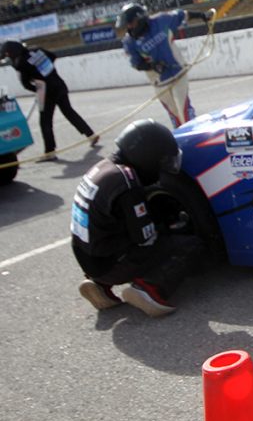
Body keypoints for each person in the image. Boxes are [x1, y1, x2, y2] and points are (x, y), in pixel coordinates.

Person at [72, 119, 204, 317]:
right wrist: (169, 227)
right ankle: (150, 288)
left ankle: (99, 284)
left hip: (89, 257)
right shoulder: (127, 181)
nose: (161, 168)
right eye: (160, 162)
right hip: (111, 262)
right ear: (146, 157)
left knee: (114, 236)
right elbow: (145, 238)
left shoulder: (103, 168)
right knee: (190, 244)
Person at [117, 3, 213, 128]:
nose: (129, 27)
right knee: (174, 114)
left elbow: (182, 14)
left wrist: (202, 15)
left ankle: (194, 133)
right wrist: (152, 66)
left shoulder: (161, 20)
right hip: (160, 83)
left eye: (131, 23)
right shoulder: (129, 42)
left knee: (184, 109)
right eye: (127, 25)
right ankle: (180, 140)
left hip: (178, 73)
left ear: (140, 19)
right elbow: (136, 64)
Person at [1, 40, 97, 161]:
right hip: (59, 84)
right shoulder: (36, 50)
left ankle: (50, 152)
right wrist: (46, 72)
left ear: (12, 54)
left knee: (45, 122)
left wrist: (38, 86)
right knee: (69, 112)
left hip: (47, 93)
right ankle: (91, 135)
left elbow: (26, 85)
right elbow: (53, 56)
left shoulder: (21, 64)